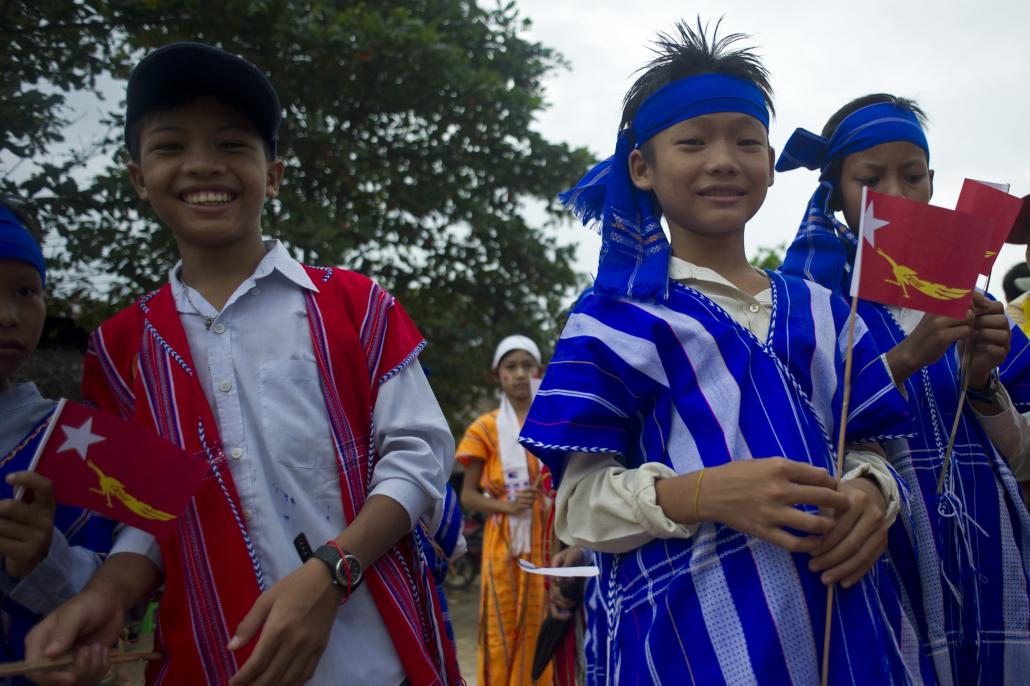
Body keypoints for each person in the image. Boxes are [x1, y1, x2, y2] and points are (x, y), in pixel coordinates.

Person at [23, 43, 459, 686]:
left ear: (273, 174)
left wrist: (331, 574)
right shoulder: (119, 351)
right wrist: (105, 599)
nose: (203, 164)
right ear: (138, 177)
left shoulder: (354, 306)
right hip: (212, 662)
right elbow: (146, 518)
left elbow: (420, 458)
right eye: (170, 146)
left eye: (231, 145)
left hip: (375, 664)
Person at [518, 20, 930, 685]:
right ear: (642, 168)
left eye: (746, 140)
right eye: (692, 141)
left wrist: (872, 495)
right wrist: (704, 492)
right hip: (687, 648)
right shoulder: (613, 319)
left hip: (853, 635)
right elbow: (579, 507)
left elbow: (868, 445)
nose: (723, 160)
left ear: (769, 162)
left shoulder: (825, 310)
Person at [777, 93, 1030, 684]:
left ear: (933, 182)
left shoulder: (977, 304)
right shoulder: (811, 306)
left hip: (994, 564)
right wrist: (906, 359)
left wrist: (983, 382)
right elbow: (800, 429)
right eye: (870, 179)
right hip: (880, 561)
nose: (895, 193)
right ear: (837, 194)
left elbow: (1019, 457)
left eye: (912, 176)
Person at [0, 198, 114, 684]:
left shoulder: (67, 440)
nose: (8, 316)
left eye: (26, 291)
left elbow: (119, 591)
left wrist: (43, 557)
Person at [456, 335, 560, 686]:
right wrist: (506, 505)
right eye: (510, 367)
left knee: (548, 621)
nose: (519, 374)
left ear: (539, 371)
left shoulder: (555, 422)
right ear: (497, 375)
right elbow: (468, 496)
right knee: (501, 630)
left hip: (552, 541)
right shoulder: (484, 429)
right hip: (503, 548)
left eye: (527, 365)